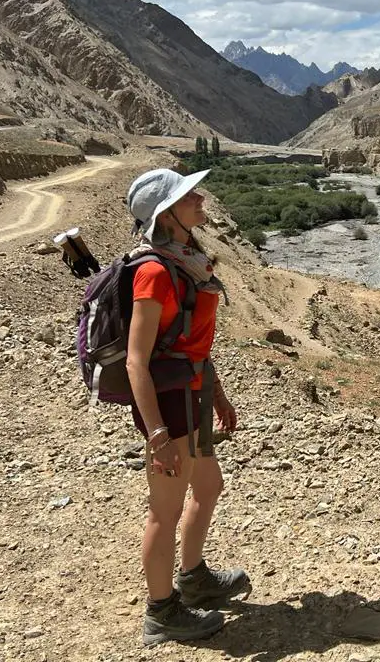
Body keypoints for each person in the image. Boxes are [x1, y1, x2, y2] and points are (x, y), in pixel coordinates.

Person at [125, 168, 250, 647]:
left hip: (193, 393)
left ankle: (193, 576)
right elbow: (138, 361)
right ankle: (161, 612)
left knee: (210, 486)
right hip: (170, 404)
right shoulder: (155, 272)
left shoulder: (186, 260)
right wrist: (157, 435)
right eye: (186, 195)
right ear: (166, 214)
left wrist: (216, 392)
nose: (199, 198)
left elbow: (192, 341)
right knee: (165, 509)